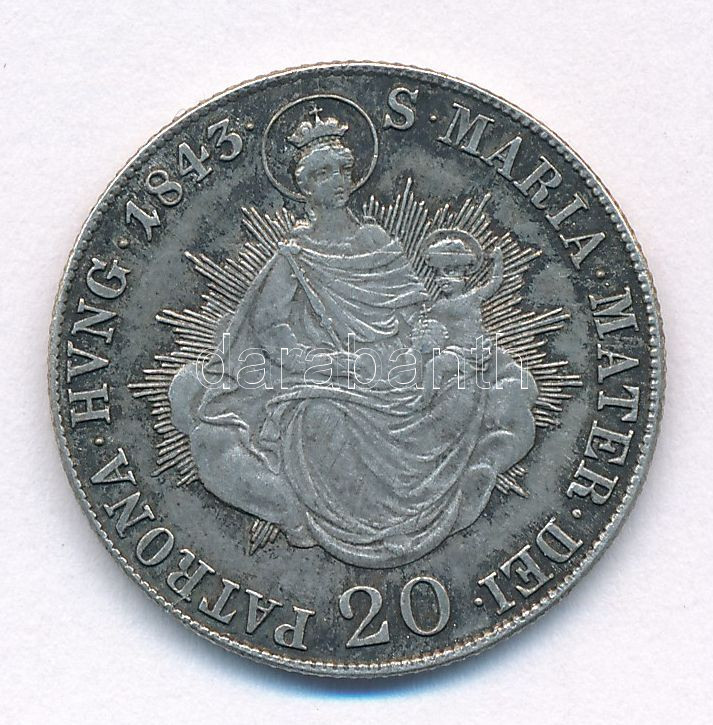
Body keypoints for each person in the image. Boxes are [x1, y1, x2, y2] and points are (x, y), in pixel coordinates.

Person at [168, 106, 538, 568]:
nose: (337, 181)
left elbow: (410, 311)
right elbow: (270, 328)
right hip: (328, 372)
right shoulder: (294, 257)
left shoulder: (376, 242)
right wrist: (324, 362)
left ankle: (426, 511)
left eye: (342, 170)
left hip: (396, 366)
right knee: (322, 416)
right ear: (305, 187)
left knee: (462, 392)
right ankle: (345, 524)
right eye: (323, 174)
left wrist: (423, 338)